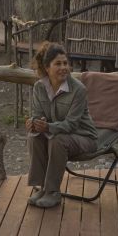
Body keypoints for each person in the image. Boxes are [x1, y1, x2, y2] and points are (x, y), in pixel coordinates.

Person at [25, 42, 98, 208]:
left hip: (84, 137)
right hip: (57, 134)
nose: (64, 67)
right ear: (47, 67)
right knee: (34, 136)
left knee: (57, 140)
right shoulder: (39, 87)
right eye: (58, 63)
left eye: (65, 63)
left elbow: (71, 124)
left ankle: (53, 192)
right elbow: (37, 114)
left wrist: (48, 127)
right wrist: (33, 124)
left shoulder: (78, 90)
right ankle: (42, 187)